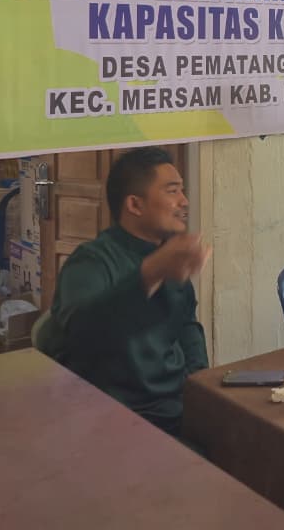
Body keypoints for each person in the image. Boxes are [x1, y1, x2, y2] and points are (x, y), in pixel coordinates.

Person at [37, 147, 210, 435]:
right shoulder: (92, 261)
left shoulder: (169, 256)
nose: (184, 201)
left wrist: (201, 388)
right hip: (114, 421)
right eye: (172, 191)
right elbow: (82, 334)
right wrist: (150, 274)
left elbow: (188, 329)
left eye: (182, 190)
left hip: (177, 409)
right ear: (135, 205)